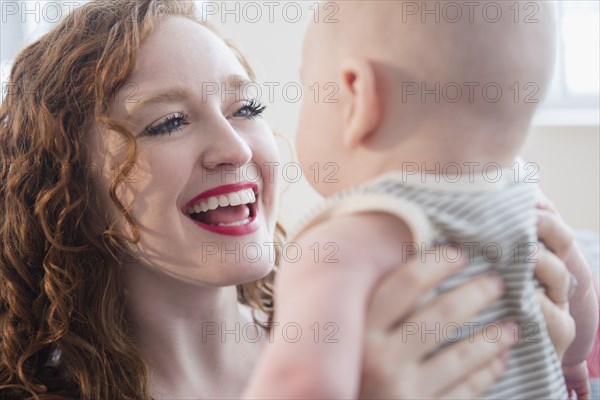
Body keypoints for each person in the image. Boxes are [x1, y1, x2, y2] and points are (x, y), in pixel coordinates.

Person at [0, 1, 581, 399]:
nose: (234, 148)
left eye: (247, 109)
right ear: (68, 182)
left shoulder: (370, 305)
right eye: (169, 121)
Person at [244, 1, 598, 399]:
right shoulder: (529, 201)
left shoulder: (339, 245)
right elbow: (578, 293)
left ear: (358, 96)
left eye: (309, 89)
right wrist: (569, 362)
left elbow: (300, 385)